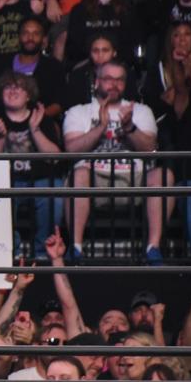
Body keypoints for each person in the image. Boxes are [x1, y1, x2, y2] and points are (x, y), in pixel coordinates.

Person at [62, 60, 171, 263]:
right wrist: (100, 127)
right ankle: (75, 248)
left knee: (164, 175)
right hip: (93, 179)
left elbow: (149, 148)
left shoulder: (141, 111)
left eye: (120, 80)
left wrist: (129, 128)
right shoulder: (79, 111)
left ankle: (153, 248)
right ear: (96, 82)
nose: (114, 84)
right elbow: (71, 149)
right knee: (79, 174)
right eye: (108, 79)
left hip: (134, 179)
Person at [0, 72, 63, 257]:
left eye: (20, 87)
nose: (13, 91)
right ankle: (11, 253)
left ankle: (43, 253)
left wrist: (35, 129)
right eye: (8, 87)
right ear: (1, 93)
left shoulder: (42, 119)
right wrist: (0, 137)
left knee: (54, 194)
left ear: (28, 95)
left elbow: (54, 157)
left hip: (39, 180)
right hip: (6, 183)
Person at [142, 21, 191, 251]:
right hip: (174, 136)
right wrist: (183, 79)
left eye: (187, 34)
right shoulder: (160, 70)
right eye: (176, 35)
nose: (182, 39)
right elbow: (176, 109)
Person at [64, 0, 136, 68]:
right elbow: (73, 47)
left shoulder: (126, 9)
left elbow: (130, 44)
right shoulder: (79, 10)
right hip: (87, 65)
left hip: (118, 66)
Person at [7, 15, 65, 118]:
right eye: (25, 33)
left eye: (36, 33)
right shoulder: (2, 65)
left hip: (41, 122)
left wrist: (36, 119)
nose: (30, 38)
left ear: (44, 39)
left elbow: (59, 104)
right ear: (18, 36)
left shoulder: (54, 67)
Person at [65, 32, 138, 111]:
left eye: (105, 50)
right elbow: (72, 107)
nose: (100, 55)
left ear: (114, 53)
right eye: (95, 51)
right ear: (90, 53)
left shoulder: (125, 73)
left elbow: (132, 103)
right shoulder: (78, 75)